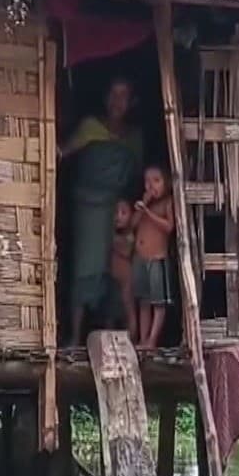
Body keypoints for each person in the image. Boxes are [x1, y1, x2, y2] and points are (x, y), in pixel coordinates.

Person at [60, 78, 144, 345]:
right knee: (85, 268)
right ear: (106, 98)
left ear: (131, 103)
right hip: (88, 208)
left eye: (124, 96)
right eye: (114, 95)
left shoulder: (134, 138)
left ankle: (113, 335)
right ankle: (75, 336)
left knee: (117, 271)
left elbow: (138, 177)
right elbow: (62, 153)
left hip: (117, 210)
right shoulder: (90, 127)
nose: (118, 102)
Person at [132, 166, 175, 349]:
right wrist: (143, 205)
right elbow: (132, 224)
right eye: (147, 181)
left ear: (167, 182)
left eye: (156, 181)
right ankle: (143, 339)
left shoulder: (168, 203)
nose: (151, 186)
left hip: (157, 258)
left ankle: (152, 339)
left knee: (158, 302)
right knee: (143, 301)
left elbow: (169, 227)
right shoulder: (145, 205)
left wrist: (149, 214)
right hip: (141, 258)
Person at [109, 199, 138, 341]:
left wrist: (112, 241)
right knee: (111, 312)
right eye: (116, 212)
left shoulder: (130, 236)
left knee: (129, 311)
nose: (118, 216)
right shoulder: (113, 235)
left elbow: (126, 251)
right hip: (113, 279)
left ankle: (131, 340)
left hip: (127, 279)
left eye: (123, 213)